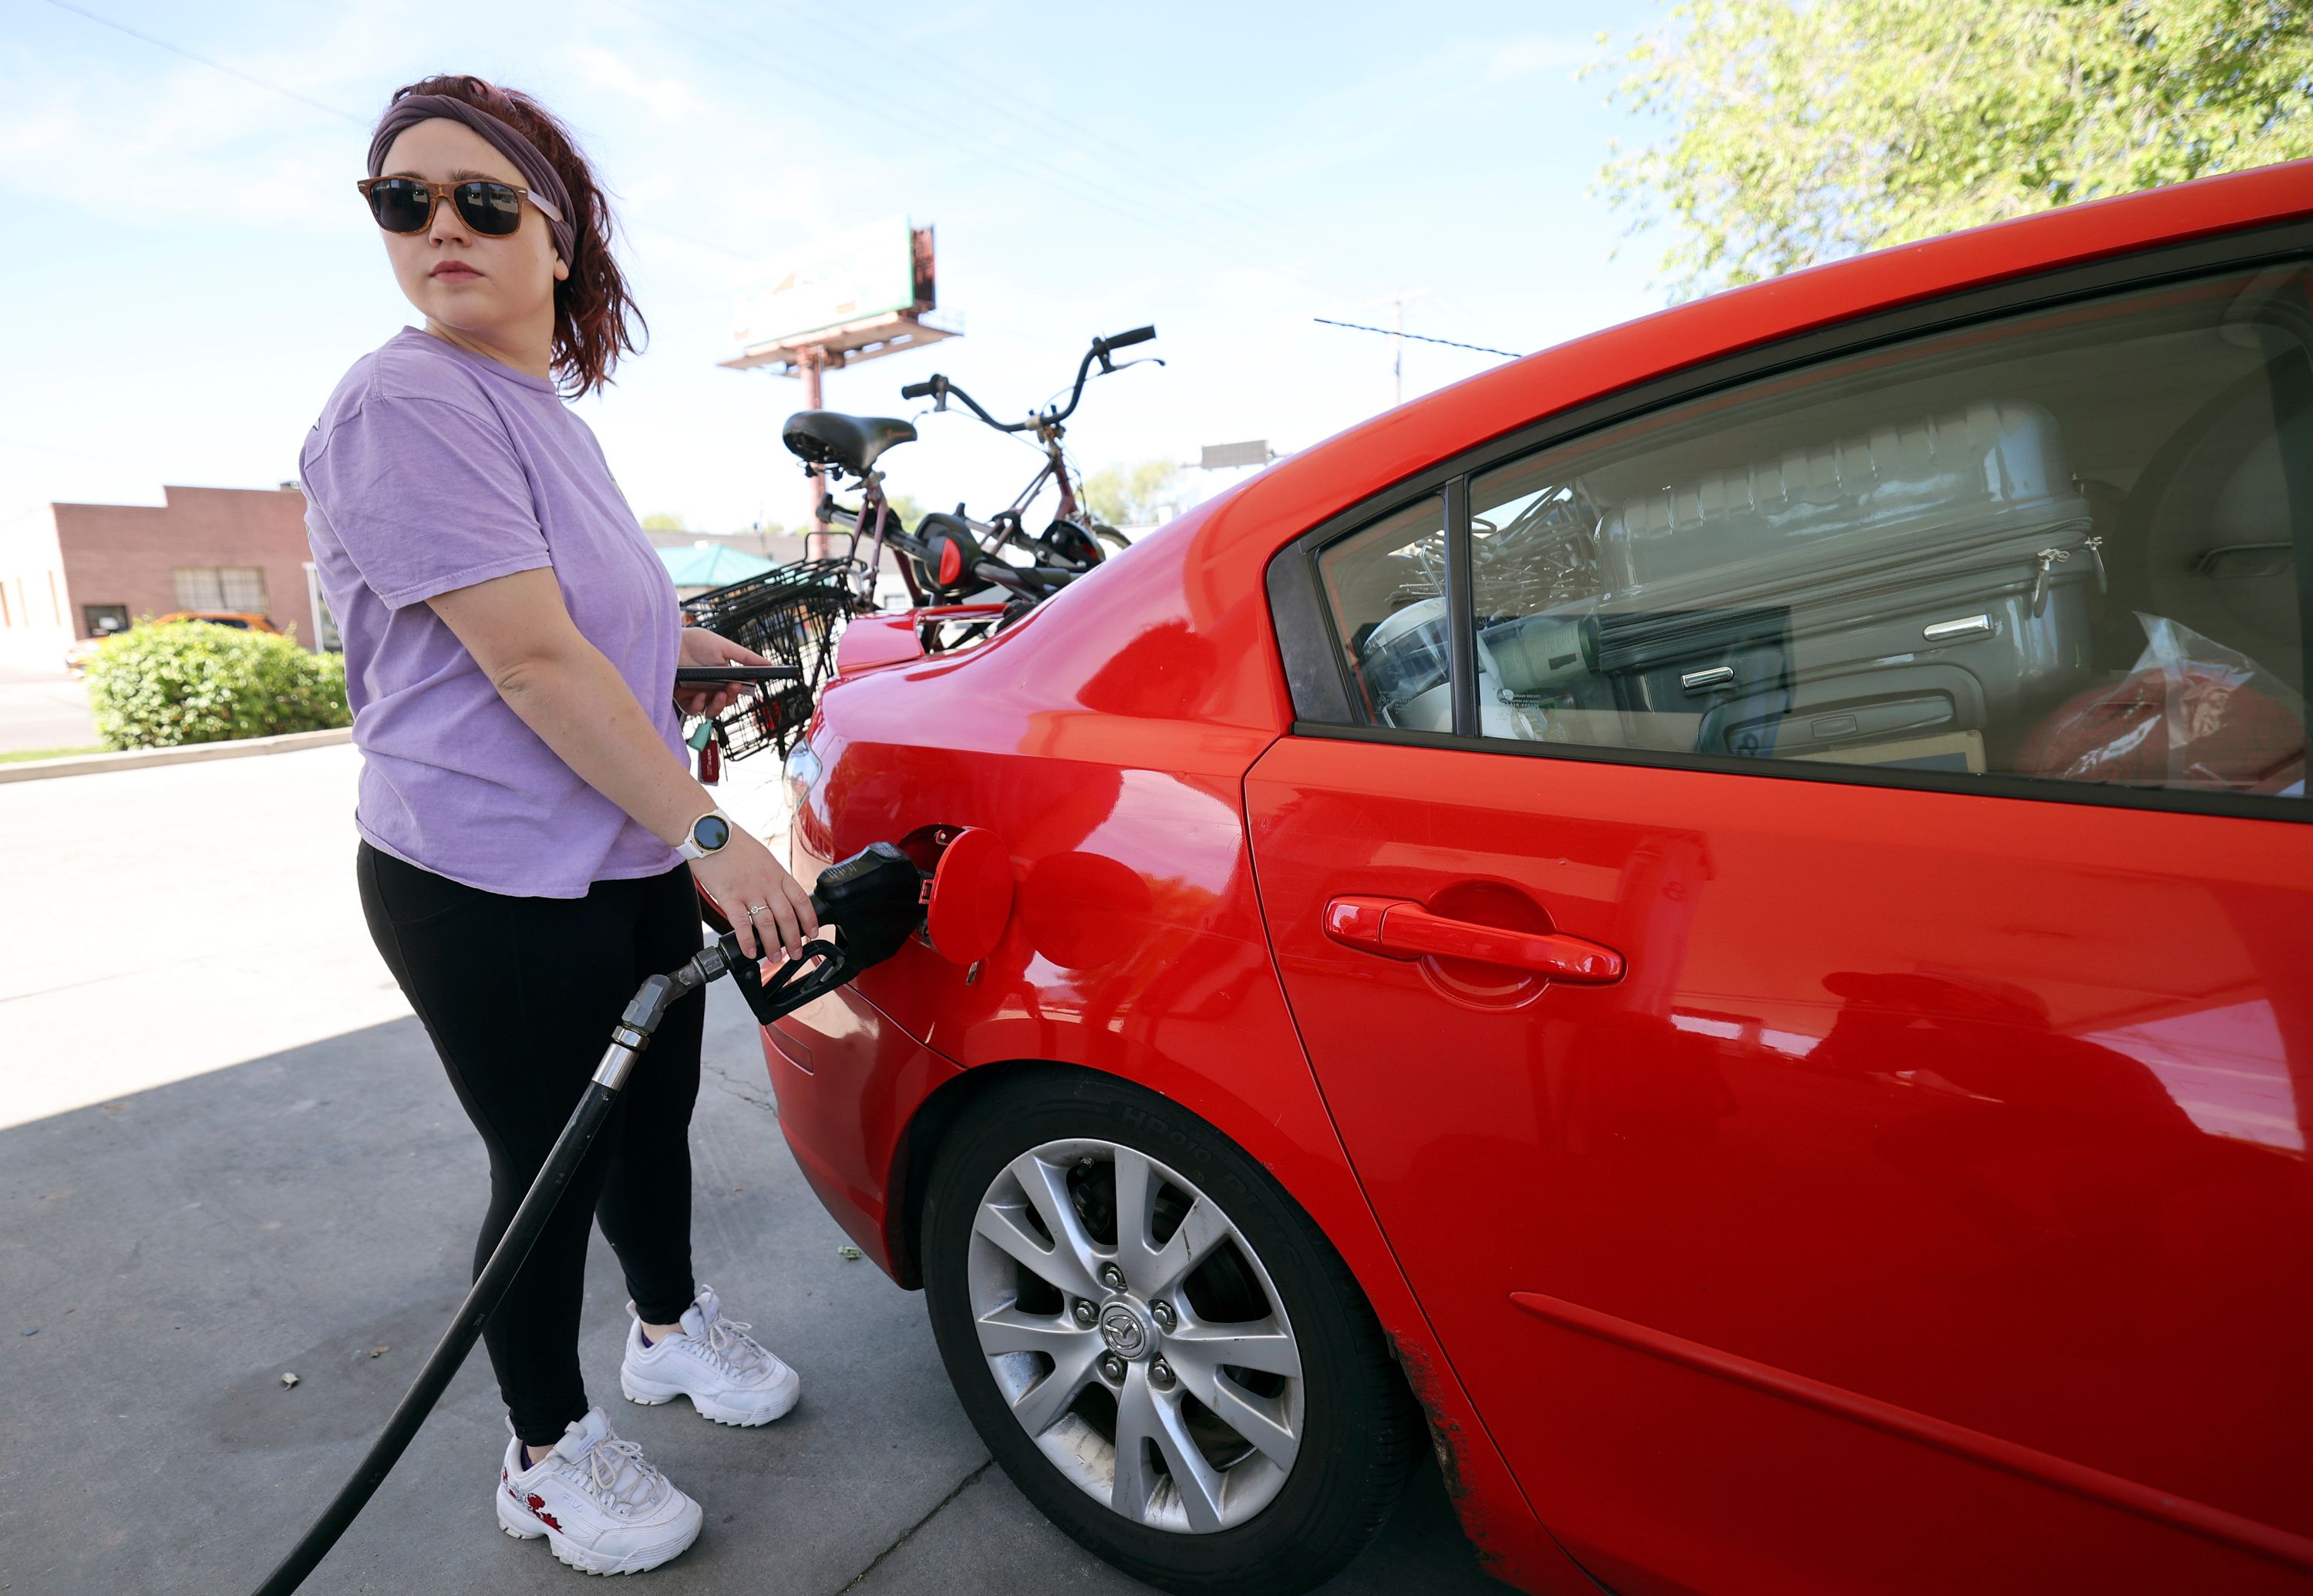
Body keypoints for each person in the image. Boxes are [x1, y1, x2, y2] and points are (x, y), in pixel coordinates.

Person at [298, 74, 819, 1577]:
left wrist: (698, 652)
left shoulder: (541, 413)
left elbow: (588, 629)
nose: (440, 226)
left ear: (561, 236)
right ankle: (543, 1453)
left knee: (649, 1123)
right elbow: (526, 661)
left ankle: (666, 1333)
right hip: (482, 875)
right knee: (545, 1169)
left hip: (617, 847)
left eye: (481, 198)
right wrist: (724, 839)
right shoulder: (403, 397)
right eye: (405, 201)